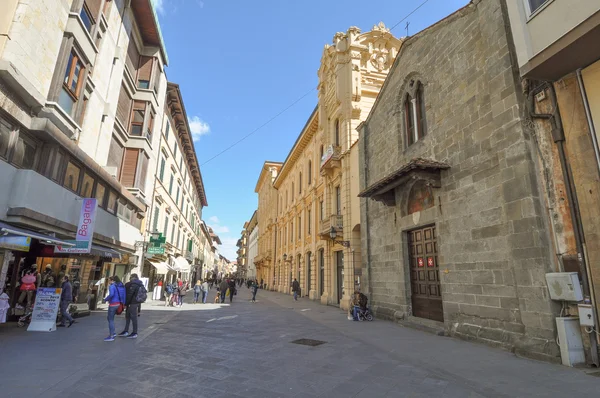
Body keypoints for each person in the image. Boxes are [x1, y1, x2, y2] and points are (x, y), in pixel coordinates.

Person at [118, 274, 144, 339]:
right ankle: (126, 331)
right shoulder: (140, 284)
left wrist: (126, 303)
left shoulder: (132, 285)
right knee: (128, 316)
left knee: (133, 318)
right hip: (136, 303)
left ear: (132, 278)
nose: (129, 279)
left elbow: (129, 294)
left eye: (130, 277)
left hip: (132, 303)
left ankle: (134, 333)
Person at [102, 275, 125, 342]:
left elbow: (111, 294)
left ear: (112, 280)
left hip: (113, 304)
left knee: (110, 319)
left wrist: (106, 299)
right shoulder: (119, 286)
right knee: (110, 318)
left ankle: (111, 335)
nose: (108, 281)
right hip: (118, 303)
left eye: (109, 280)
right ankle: (113, 333)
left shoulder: (112, 286)